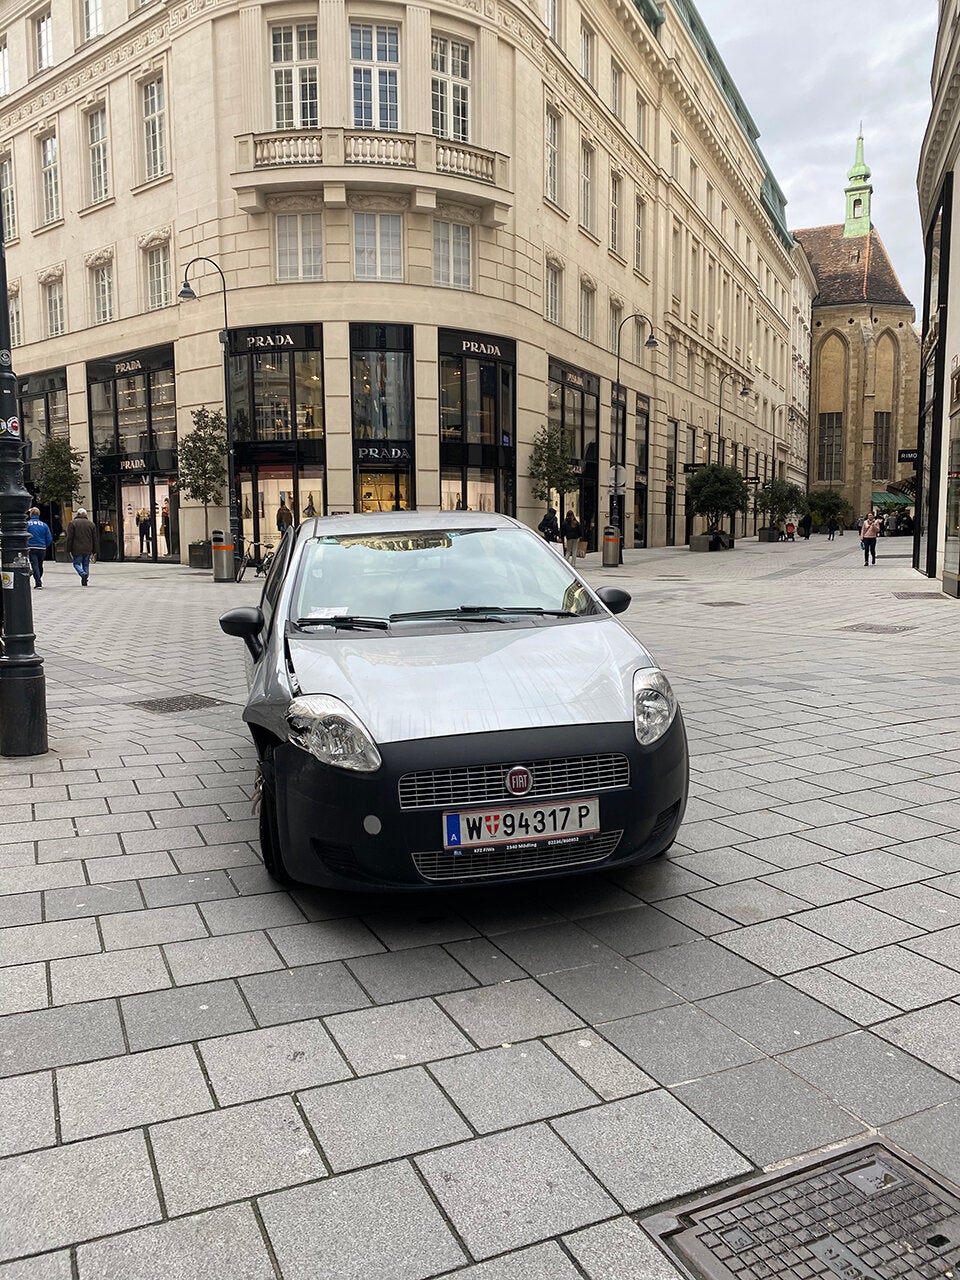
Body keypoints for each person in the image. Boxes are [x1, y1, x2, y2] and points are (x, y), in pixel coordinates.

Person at [65, 507, 99, 586]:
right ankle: (85, 580)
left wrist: (68, 549)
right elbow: (94, 538)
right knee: (86, 564)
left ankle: (82, 573)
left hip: (76, 548)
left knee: (76, 564)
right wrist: (95, 550)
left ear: (77, 514)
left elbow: (70, 538)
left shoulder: (72, 523)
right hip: (88, 548)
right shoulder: (91, 524)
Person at [26, 507, 53, 589]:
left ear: (31, 514)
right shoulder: (44, 525)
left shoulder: (27, 524)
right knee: (40, 564)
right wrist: (45, 545)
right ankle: (39, 577)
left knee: (34, 564)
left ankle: (38, 582)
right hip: (42, 547)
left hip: (31, 547)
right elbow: (49, 538)